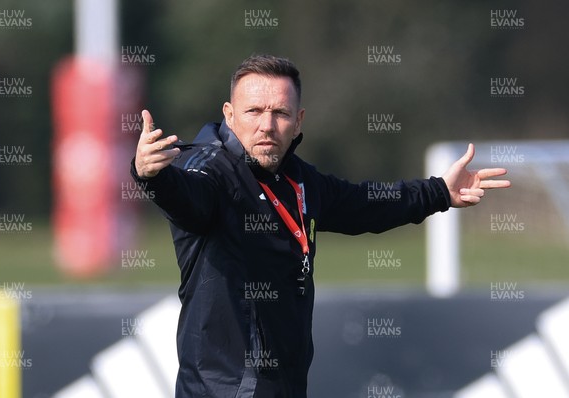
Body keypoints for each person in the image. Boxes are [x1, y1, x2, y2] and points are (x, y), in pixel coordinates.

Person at [130, 54, 510, 397]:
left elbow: (364, 204)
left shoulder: (298, 179)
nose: (267, 125)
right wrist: (151, 176)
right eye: (254, 111)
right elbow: (187, 198)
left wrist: (439, 192)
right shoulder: (209, 171)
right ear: (229, 115)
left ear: (299, 121)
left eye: (280, 113)